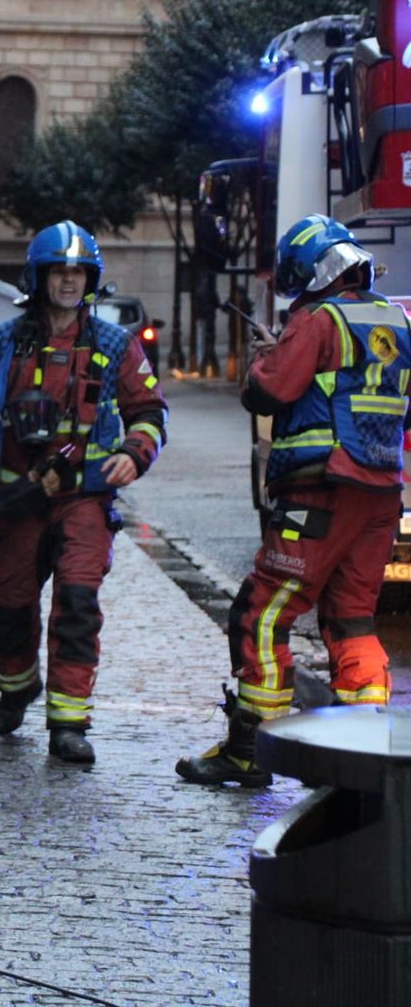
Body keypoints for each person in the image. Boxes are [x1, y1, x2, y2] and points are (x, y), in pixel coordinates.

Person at [177, 215, 409, 787]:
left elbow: (267, 391)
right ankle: (359, 755)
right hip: (381, 494)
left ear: (308, 271)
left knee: (261, 613)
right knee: (351, 618)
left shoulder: (317, 319)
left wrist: (270, 353)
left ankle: (250, 749)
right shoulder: (396, 321)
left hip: (319, 491)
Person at [0, 221, 168, 763]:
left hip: (85, 499)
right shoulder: (1, 344)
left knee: (77, 604)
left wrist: (133, 454)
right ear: (39, 277)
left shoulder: (115, 346)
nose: (70, 281)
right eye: (59, 272)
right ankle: (15, 690)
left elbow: (149, 411)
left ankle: (69, 723)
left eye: (79, 272)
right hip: (18, 499)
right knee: (10, 606)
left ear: (91, 279)